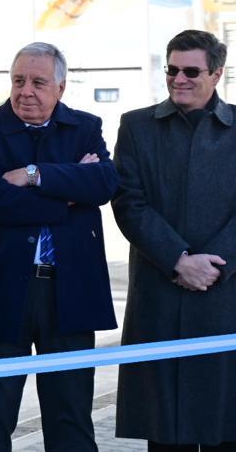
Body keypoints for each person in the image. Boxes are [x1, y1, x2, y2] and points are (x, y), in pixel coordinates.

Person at [0, 41, 118, 452]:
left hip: (70, 294)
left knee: (71, 422)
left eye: (38, 82)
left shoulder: (85, 127)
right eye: (18, 81)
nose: (25, 91)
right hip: (0, 291)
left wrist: (34, 175)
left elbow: (104, 184)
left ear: (60, 88)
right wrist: (69, 194)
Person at [112, 29, 236, 451]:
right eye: (172, 69)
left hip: (224, 301)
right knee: (165, 433)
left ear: (216, 74)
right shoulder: (136, 126)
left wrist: (214, 264)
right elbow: (128, 201)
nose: (178, 79)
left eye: (191, 71)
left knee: (225, 426)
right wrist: (178, 259)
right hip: (160, 299)